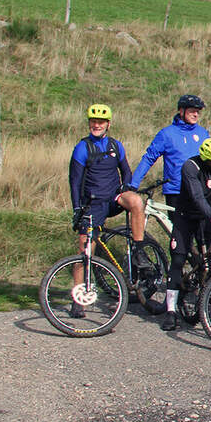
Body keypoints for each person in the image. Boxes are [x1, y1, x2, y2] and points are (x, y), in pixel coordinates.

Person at [67, 104, 148, 317]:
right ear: (89, 123)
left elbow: (126, 172)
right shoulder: (82, 148)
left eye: (101, 122)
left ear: (108, 124)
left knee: (136, 202)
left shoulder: (115, 145)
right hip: (93, 204)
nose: (96, 125)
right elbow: (74, 182)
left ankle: (139, 250)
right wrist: (77, 208)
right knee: (85, 252)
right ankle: (78, 299)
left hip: (114, 198)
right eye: (93, 121)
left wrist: (125, 188)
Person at [164, 137, 211, 331]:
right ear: (209, 160)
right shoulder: (191, 166)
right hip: (186, 216)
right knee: (178, 259)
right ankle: (171, 310)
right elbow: (197, 196)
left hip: (208, 217)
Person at [129, 94, 210, 206]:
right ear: (181, 111)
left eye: (198, 112)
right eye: (192, 111)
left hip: (200, 189)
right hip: (176, 191)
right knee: (176, 224)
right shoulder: (167, 134)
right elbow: (148, 158)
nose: (196, 114)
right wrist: (133, 184)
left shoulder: (203, 133)